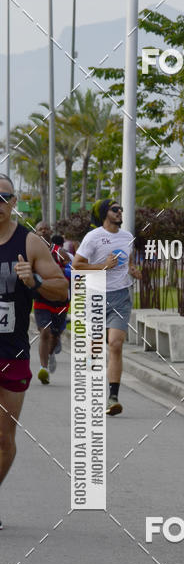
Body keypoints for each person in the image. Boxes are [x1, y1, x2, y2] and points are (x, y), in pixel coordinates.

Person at [0, 175, 68, 525]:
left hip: (11, 353)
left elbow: (62, 291)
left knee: (3, 438)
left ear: (14, 202)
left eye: (4, 196)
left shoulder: (30, 244)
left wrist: (35, 281)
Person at [72, 199, 141, 415]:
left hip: (120, 296)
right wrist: (103, 266)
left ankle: (113, 397)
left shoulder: (127, 237)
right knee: (95, 348)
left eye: (121, 208)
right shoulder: (93, 237)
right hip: (96, 296)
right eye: (115, 209)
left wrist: (133, 270)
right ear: (105, 214)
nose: (120, 211)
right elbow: (77, 266)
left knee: (115, 344)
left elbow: (127, 262)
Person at [34, 234, 71, 383]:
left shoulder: (59, 252)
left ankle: (50, 355)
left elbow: (71, 269)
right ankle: (43, 369)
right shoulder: (32, 252)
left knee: (55, 336)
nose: (43, 232)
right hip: (42, 298)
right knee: (45, 331)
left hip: (60, 300)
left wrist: (60, 272)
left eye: (45, 229)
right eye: (40, 230)